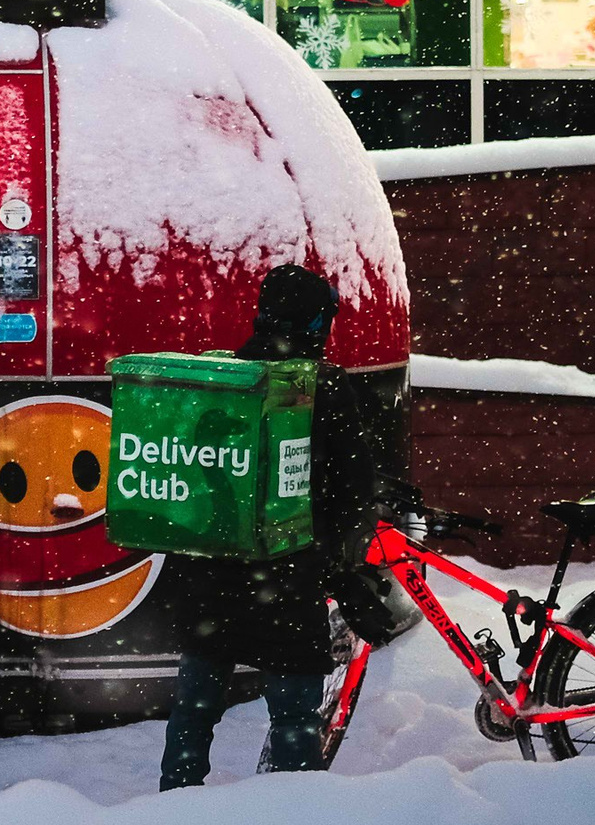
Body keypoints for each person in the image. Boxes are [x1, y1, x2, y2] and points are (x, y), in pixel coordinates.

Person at [158, 263, 416, 790]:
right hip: (289, 579)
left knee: (193, 710)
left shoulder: (222, 379)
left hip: (212, 574)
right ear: (317, 323)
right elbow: (351, 494)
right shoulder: (324, 386)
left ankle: (173, 807)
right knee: (295, 716)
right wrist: (345, 570)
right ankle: (294, 812)